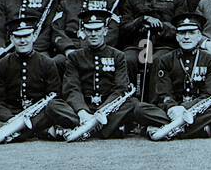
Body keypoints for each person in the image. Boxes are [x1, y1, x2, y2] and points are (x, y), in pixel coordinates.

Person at [48, 11, 155, 140]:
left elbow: (120, 88)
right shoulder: (74, 57)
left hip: (108, 107)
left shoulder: (118, 56)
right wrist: (82, 111)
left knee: (134, 105)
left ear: (105, 31)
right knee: (53, 105)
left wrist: (102, 111)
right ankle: (108, 128)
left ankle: (85, 127)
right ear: (83, 32)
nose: (93, 34)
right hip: (83, 107)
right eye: (89, 30)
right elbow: (72, 88)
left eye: (98, 30)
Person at [0, 16, 62, 144]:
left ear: (34, 36)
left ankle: (3, 134)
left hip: (37, 114)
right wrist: (10, 118)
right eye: (18, 37)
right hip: (11, 113)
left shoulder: (47, 63)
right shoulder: (2, 64)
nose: (22, 41)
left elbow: (54, 95)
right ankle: (32, 132)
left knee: (52, 114)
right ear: (12, 39)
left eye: (26, 36)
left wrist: (33, 116)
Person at [144, 12, 211, 139]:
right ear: (177, 36)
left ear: (199, 36)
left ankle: (169, 129)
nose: (186, 37)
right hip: (172, 110)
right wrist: (173, 107)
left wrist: (183, 108)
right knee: (140, 109)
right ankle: (201, 130)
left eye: (191, 33)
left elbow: (210, 94)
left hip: (198, 108)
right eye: (182, 33)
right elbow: (164, 93)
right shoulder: (165, 60)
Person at [120, 0, 187, 98]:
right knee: (126, 59)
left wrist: (161, 26)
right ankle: (126, 102)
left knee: (158, 60)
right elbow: (124, 27)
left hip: (164, 45)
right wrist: (142, 19)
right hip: (138, 44)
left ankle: (153, 105)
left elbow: (181, 29)